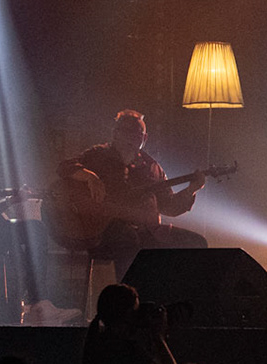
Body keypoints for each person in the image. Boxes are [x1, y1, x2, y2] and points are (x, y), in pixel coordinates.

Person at [55, 110, 208, 270]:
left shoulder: (151, 167)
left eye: (137, 133)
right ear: (115, 133)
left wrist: (191, 189)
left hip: (144, 230)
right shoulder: (98, 156)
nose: (132, 137)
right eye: (126, 131)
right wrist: (90, 177)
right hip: (101, 231)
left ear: (145, 138)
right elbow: (65, 167)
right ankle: (129, 292)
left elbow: (169, 206)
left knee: (196, 242)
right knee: (127, 237)